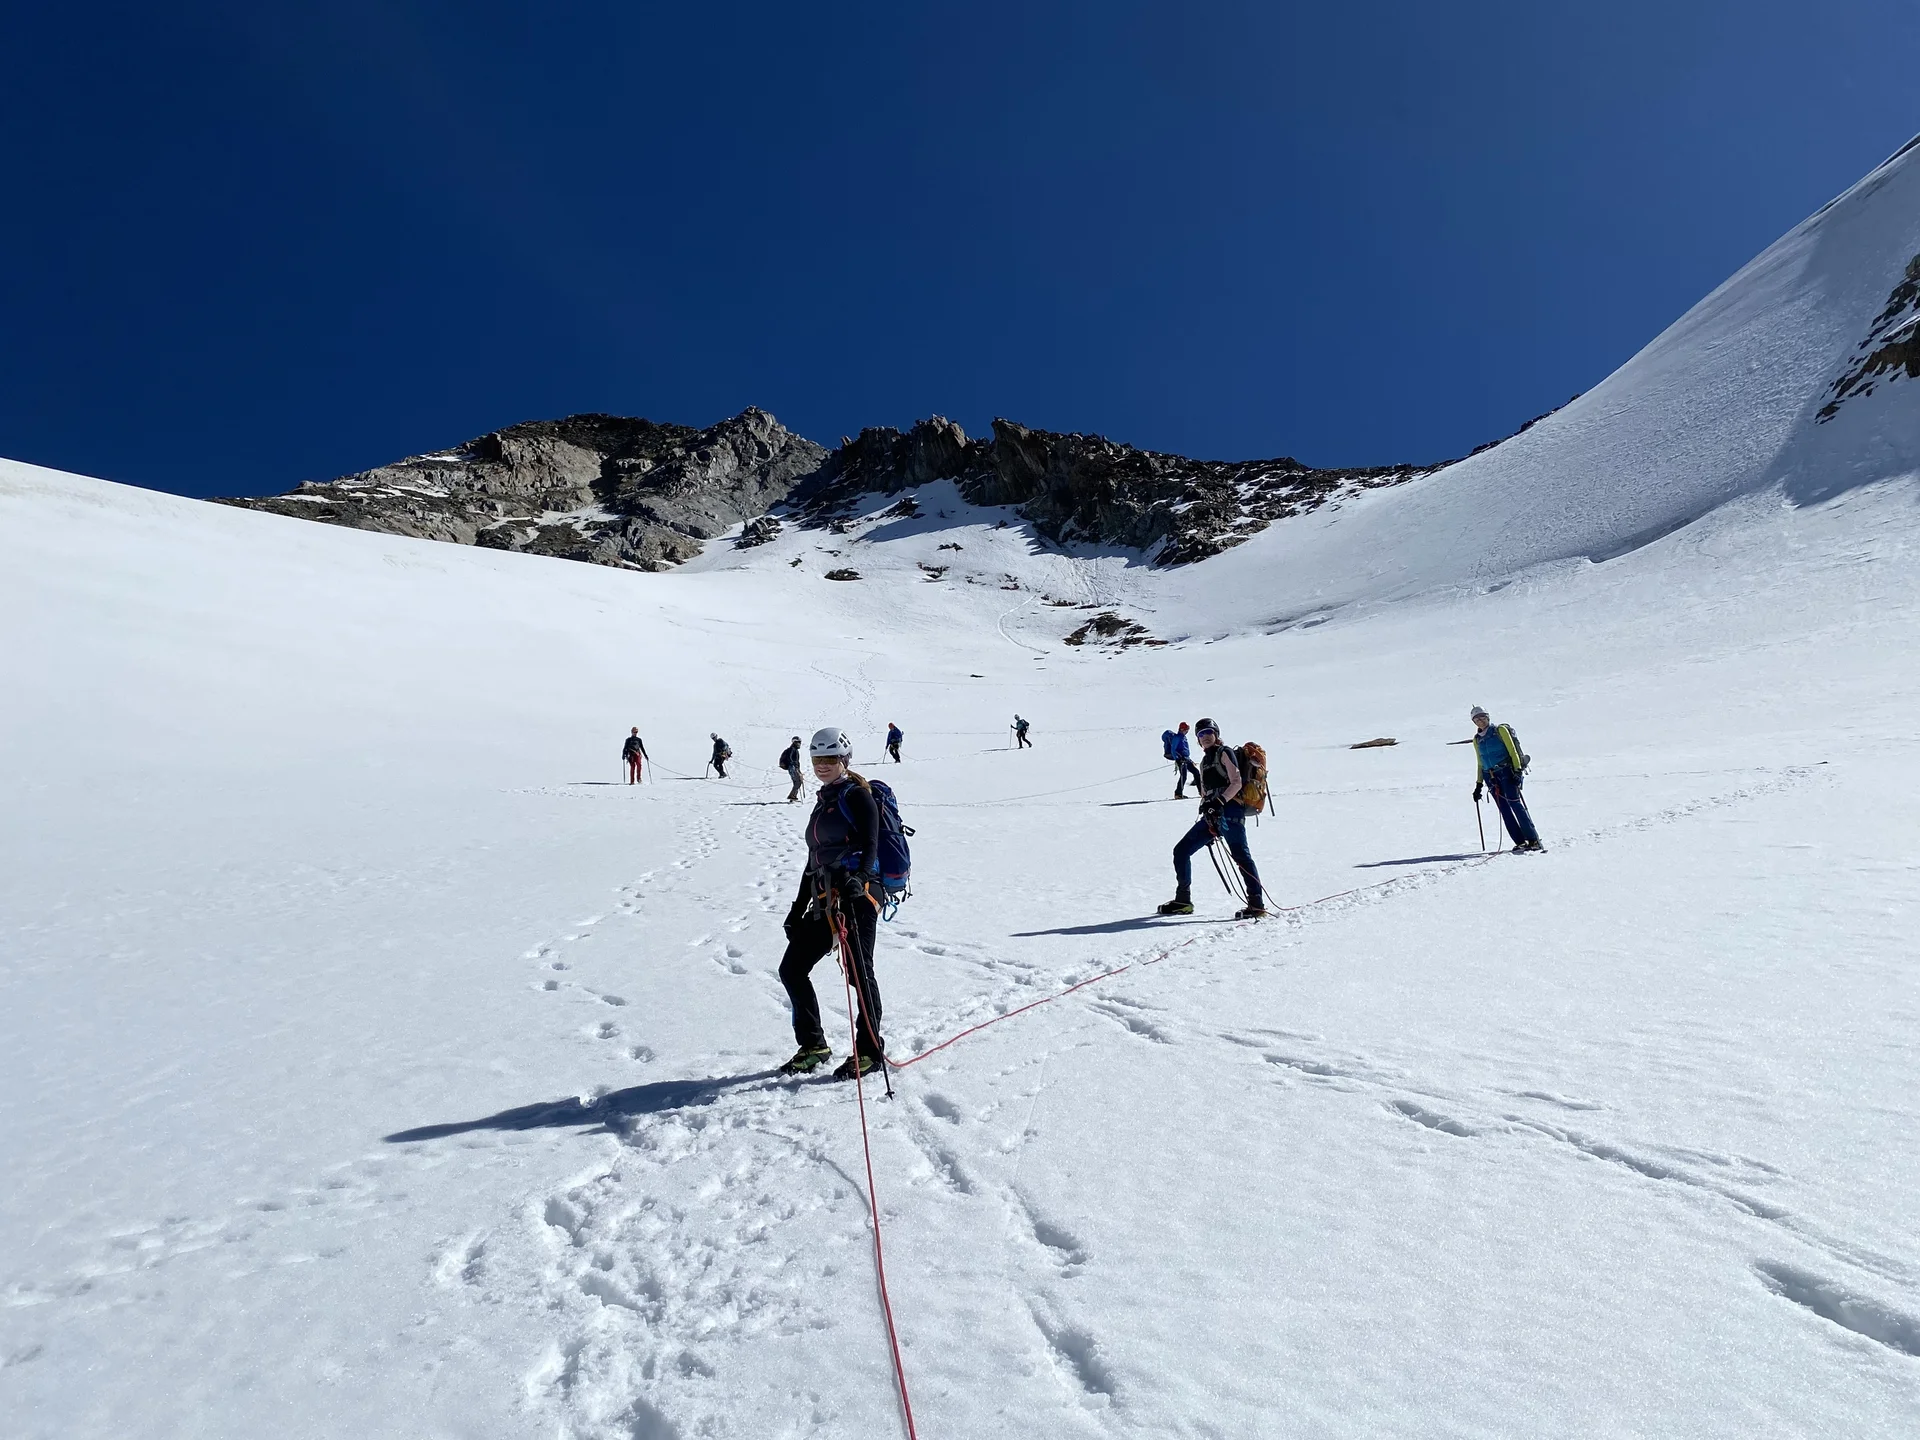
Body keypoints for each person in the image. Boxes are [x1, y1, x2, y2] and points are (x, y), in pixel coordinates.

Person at [775, 727, 888, 1080]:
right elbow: (814, 860)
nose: (822, 765)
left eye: (829, 758)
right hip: (825, 896)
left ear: (844, 759)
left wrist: (860, 878)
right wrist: (797, 908)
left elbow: (871, 843)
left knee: (859, 971)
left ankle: (870, 1051)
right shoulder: (824, 799)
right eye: (817, 759)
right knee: (792, 969)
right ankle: (814, 1046)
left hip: (859, 894)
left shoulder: (858, 795)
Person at [1160, 717, 1266, 919]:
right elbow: (1206, 792)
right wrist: (1209, 807)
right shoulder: (1205, 761)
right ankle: (1183, 901)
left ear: (1216, 734)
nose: (1205, 737)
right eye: (1201, 734)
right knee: (1181, 851)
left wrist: (1219, 802)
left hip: (1230, 812)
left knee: (1241, 856)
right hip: (1213, 816)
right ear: (1198, 740)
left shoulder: (1224, 752)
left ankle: (1257, 904)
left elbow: (1237, 782)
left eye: (1209, 733)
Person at [1471, 705, 1543, 852]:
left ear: (1488, 717)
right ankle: (1520, 841)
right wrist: (1479, 784)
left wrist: (1517, 771)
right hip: (1489, 776)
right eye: (1477, 719)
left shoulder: (1500, 730)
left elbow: (1512, 750)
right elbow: (1480, 761)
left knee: (1515, 804)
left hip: (1506, 771)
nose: (1480, 721)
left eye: (1482, 717)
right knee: (1504, 809)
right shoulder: (1476, 739)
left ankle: (1533, 839)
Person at [1165, 720, 1199, 798]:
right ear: (1183, 729)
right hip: (1181, 760)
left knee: (1196, 773)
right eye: (1186, 729)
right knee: (1184, 776)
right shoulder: (1177, 737)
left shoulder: (1183, 737)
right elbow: (1173, 749)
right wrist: (1178, 759)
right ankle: (1178, 794)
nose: (1187, 731)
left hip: (1187, 759)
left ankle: (1201, 791)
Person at [778, 735, 805, 803]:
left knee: (796, 782)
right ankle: (792, 796)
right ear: (794, 742)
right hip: (793, 767)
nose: (799, 743)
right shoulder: (793, 749)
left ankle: (793, 797)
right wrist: (796, 768)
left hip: (793, 767)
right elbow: (791, 759)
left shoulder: (793, 749)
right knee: (798, 782)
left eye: (800, 742)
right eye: (798, 742)